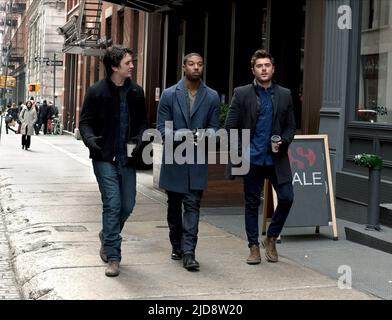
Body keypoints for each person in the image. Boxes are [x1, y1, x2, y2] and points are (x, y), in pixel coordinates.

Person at [79, 45, 148, 277]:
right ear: (114, 67)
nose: (132, 66)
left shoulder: (137, 92)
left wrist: (139, 139)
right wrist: (90, 140)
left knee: (127, 205)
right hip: (104, 157)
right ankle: (114, 256)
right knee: (113, 204)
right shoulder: (96, 91)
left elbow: (141, 123)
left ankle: (107, 235)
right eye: (128, 62)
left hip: (127, 158)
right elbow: (85, 122)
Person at [224, 49, 296, 264]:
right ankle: (253, 246)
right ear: (253, 70)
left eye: (267, 65)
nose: (263, 69)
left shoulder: (285, 94)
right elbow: (230, 126)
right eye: (259, 66)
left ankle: (271, 237)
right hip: (252, 158)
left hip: (276, 158)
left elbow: (291, 126)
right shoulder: (242, 93)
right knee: (251, 203)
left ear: (273, 69)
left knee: (287, 197)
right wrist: (241, 152)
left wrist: (284, 141)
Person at [157, 53, 220, 271]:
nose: (196, 67)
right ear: (184, 66)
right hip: (174, 160)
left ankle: (189, 253)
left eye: (200, 64)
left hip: (197, 161)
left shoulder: (211, 96)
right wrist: (184, 136)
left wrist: (204, 135)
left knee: (192, 206)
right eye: (191, 64)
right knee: (174, 209)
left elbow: (214, 128)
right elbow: (162, 130)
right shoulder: (168, 95)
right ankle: (177, 245)